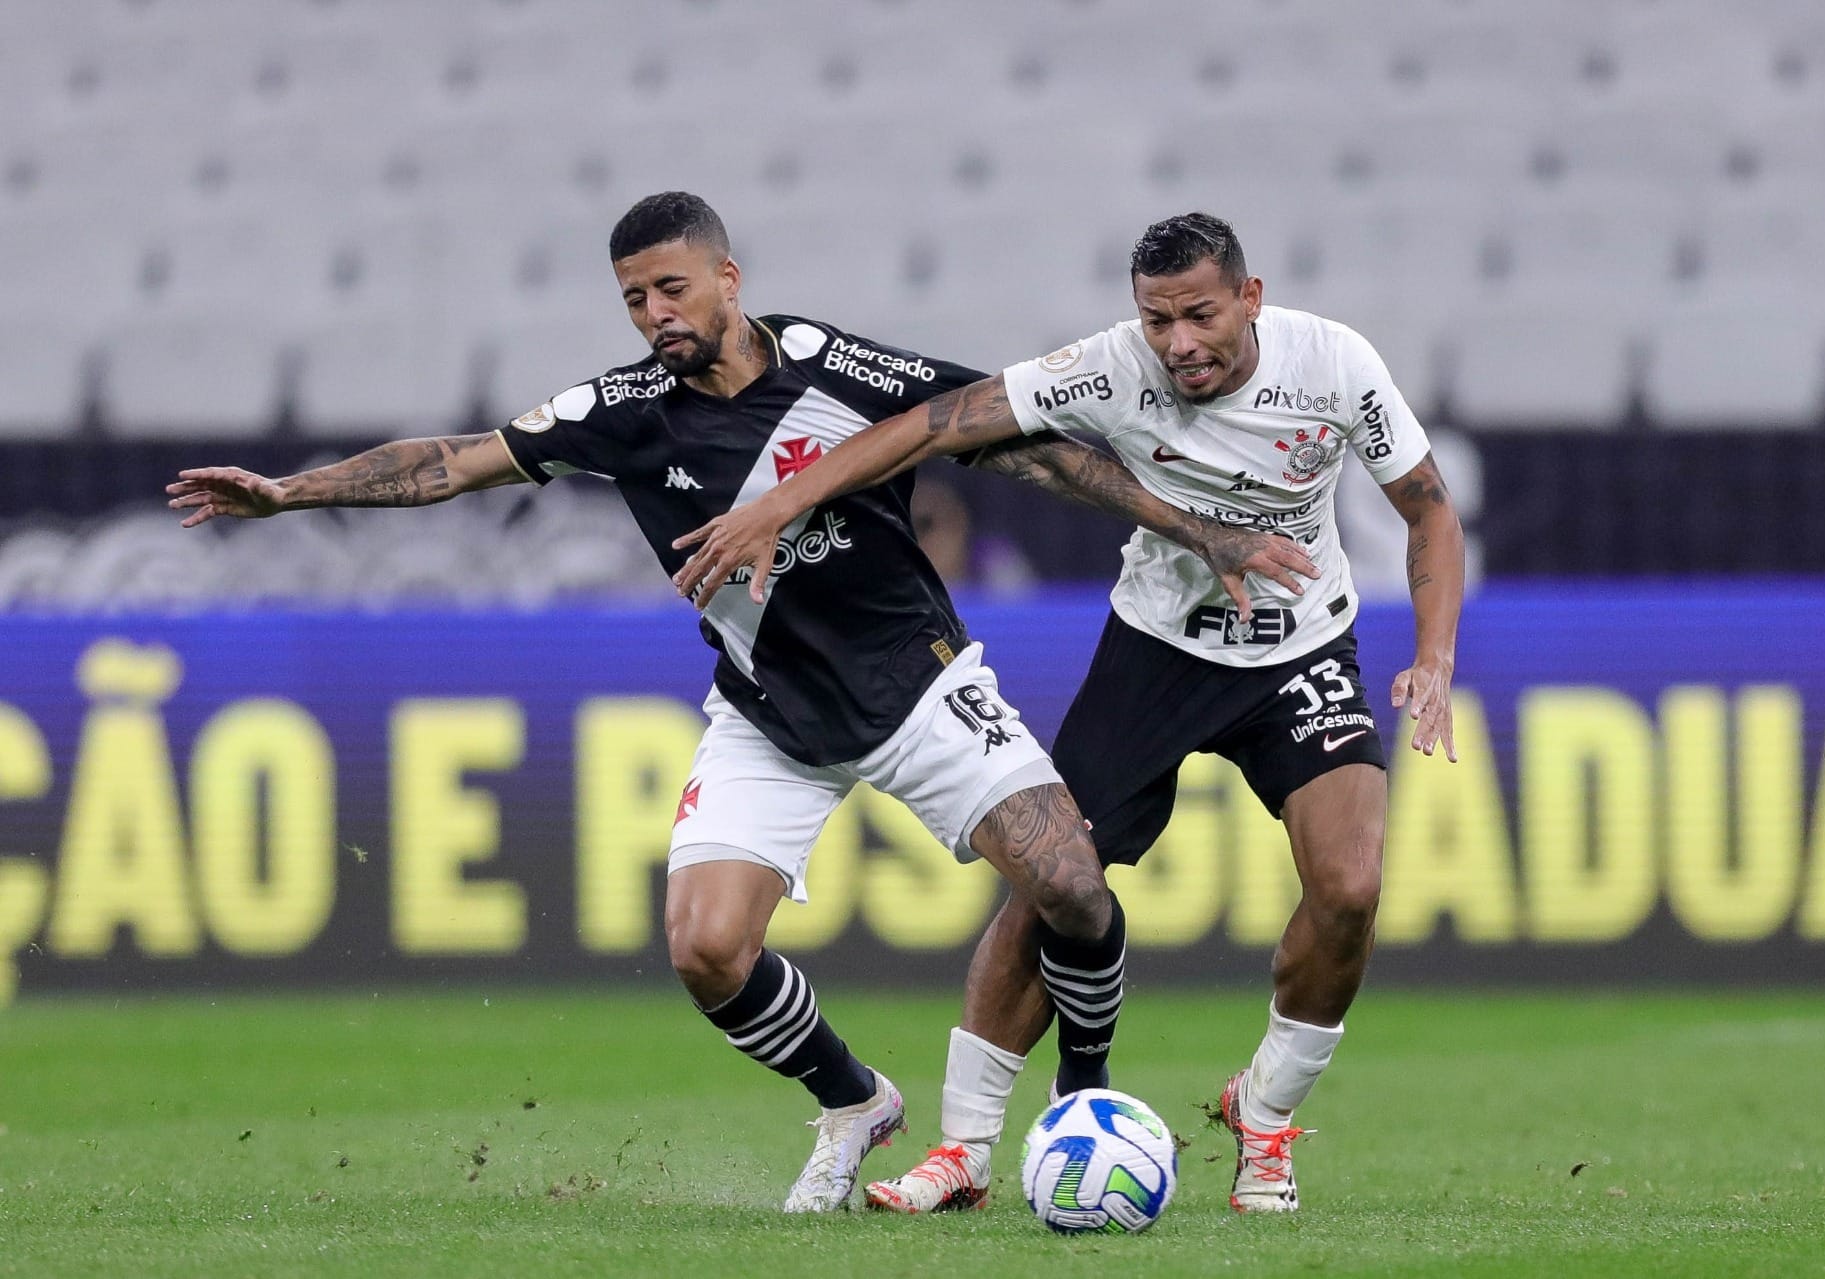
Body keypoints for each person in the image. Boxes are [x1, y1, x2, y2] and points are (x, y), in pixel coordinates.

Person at [166, 193, 1316, 1213]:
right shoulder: (620, 411)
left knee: (1069, 880)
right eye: (632, 299)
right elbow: (452, 460)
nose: (656, 314)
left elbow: (1018, 442)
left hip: (919, 682)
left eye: (672, 286)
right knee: (709, 949)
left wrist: (1197, 525)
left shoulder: (839, 367)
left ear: (729, 278)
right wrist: (288, 494)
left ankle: (1083, 1095)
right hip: (770, 712)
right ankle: (856, 1099)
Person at [673, 210, 1465, 1215]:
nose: (1179, 342)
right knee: (1056, 881)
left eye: (1201, 315)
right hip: (1155, 651)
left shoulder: (1335, 363)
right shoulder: (1103, 368)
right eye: (1158, 319)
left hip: (1299, 647)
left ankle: (1264, 1115)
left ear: (1251, 298)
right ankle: (962, 1149)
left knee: (1351, 886)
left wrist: (1434, 657)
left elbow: (1429, 507)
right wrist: (781, 503)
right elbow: (932, 423)